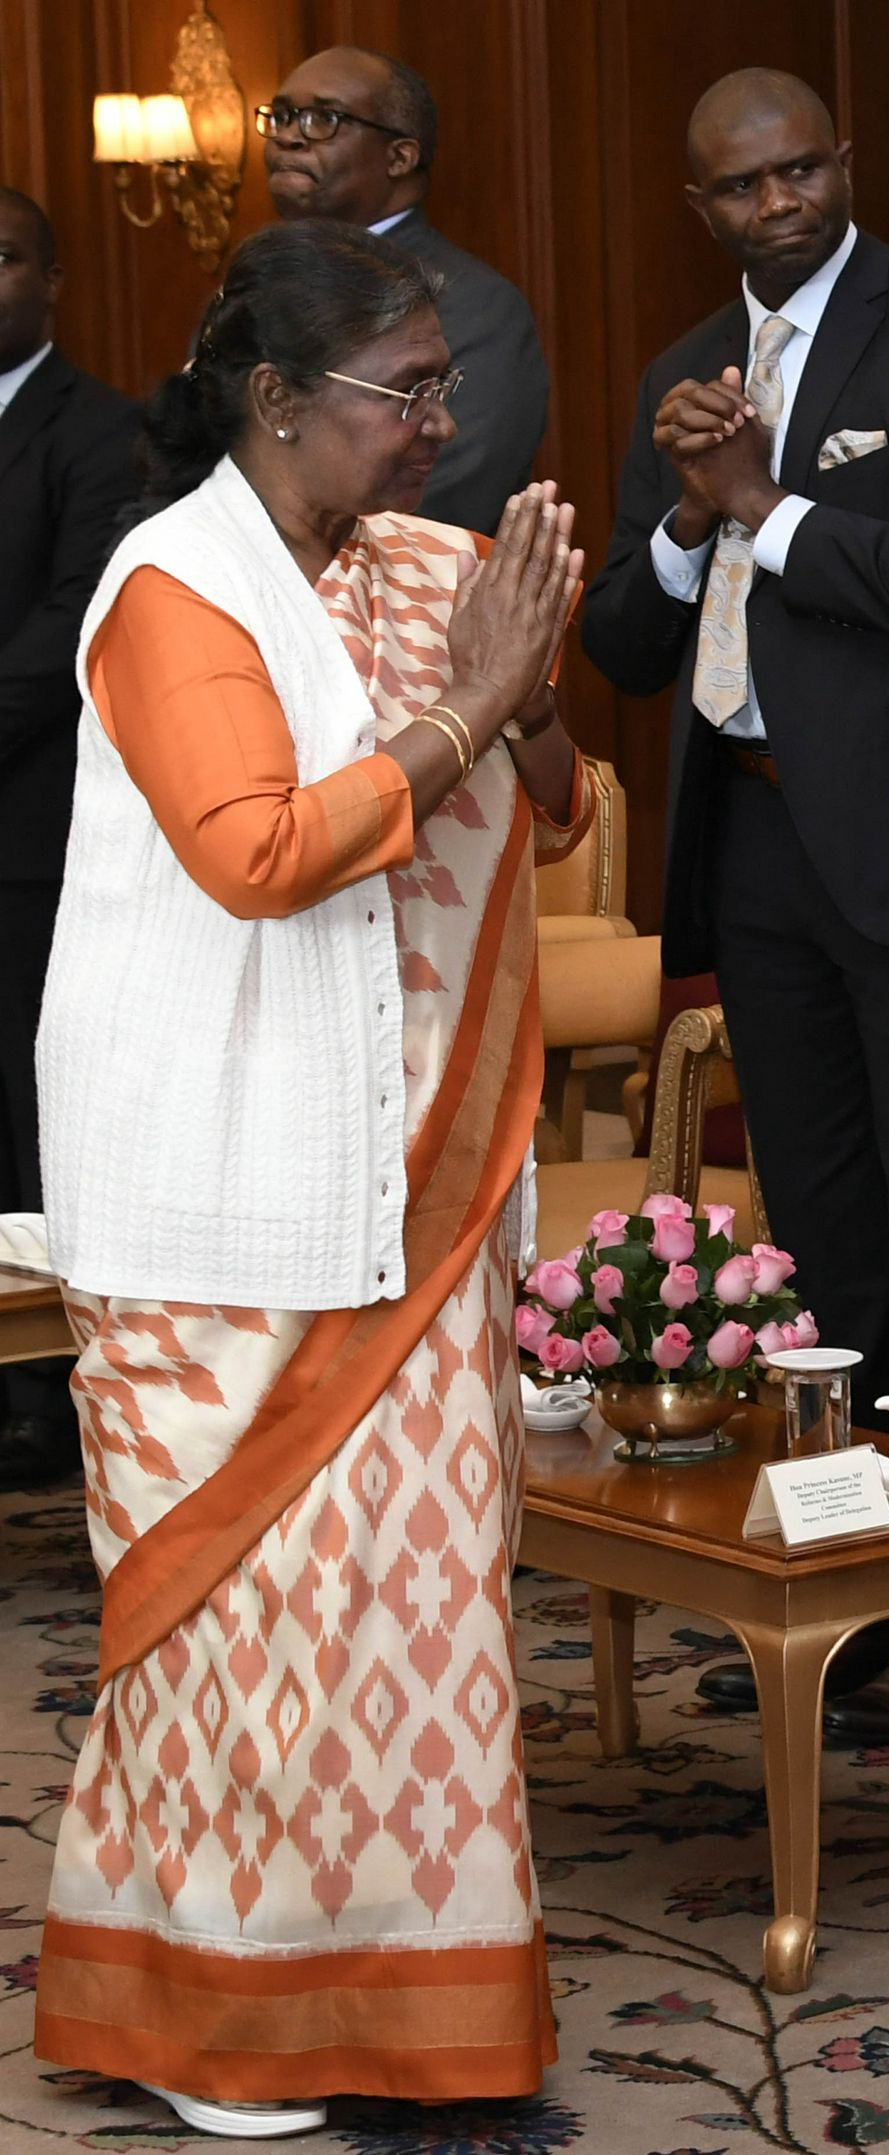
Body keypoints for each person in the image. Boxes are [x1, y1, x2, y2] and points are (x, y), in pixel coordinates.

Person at [30, 220, 589, 2139]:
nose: (440, 422)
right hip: (228, 1185)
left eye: (445, 385)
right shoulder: (170, 586)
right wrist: (472, 705)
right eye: (402, 392)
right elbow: (256, 853)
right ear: (274, 398)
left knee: (415, 1621)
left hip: (419, 1175)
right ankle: (212, 2023)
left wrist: (531, 689)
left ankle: (409, 2017)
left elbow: (558, 803)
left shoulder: (431, 567)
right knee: (239, 1627)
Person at [580, 69, 889, 1745]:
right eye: (743, 187)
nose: (778, 202)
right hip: (755, 840)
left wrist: (764, 506)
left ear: (844, 166)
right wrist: (684, 514)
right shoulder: (681, 372)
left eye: (802, 170)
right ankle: (860, 1586)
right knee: (823, 1237)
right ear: (701, 207)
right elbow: (624, 644)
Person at [0, 187, 137, 1489]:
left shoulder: (101, 430)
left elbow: (69, 624)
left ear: (52, 278)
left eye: (1, 257)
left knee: (30, 1113)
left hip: (33, 827)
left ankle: (49, 1395)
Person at [261, 44, 548, 535]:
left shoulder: (476, 305)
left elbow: (446, 494)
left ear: (399, 156)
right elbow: (183, 454)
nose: (289, 136)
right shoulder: (250, 288)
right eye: (283, 116)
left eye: (324, 119)